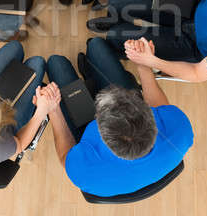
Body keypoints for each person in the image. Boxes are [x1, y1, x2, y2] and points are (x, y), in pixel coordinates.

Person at [42, 37, 194, 197]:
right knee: (96, 45)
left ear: (99, 131)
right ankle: (90, 71)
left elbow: (65, 155)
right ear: (149, 115)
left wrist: (54, 110)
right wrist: (143, 65)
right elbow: (159, 107)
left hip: (88, 142)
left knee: (56, 63)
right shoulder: (180, 130)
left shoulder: (86, 172)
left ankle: (89, 73)